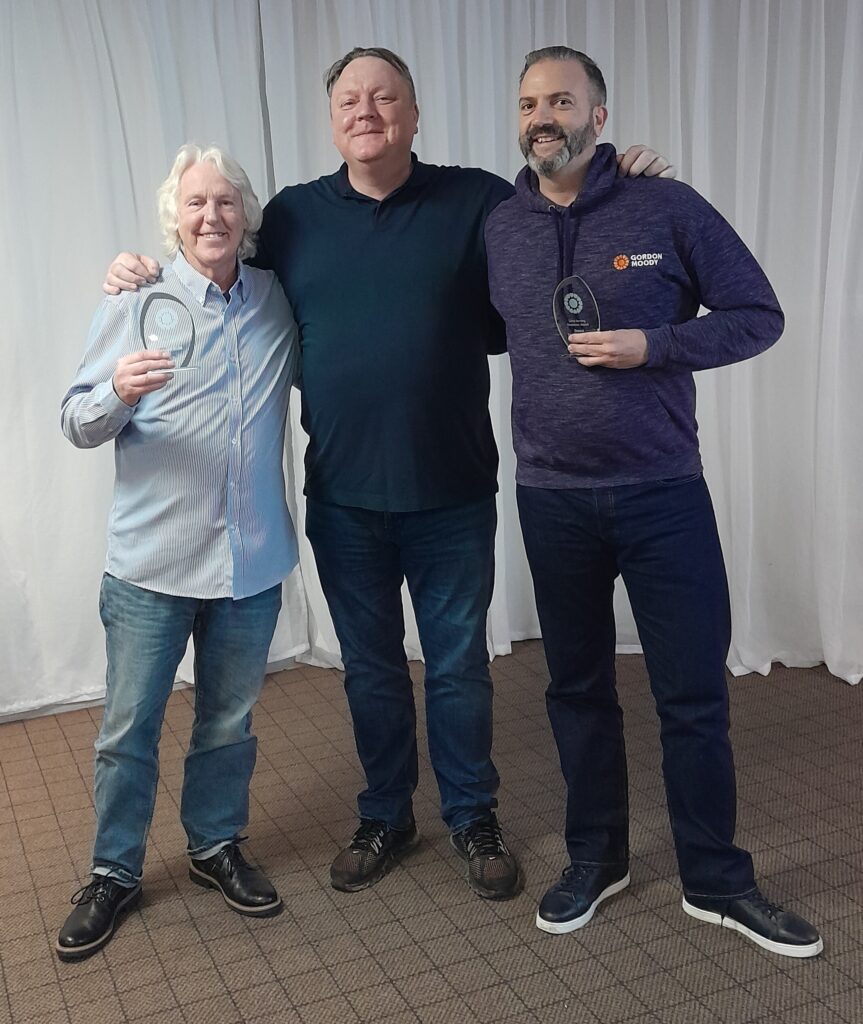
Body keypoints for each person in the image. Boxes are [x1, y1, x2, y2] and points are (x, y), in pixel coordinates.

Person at [102, 47, 672, 903]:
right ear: (333, 117)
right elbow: (207, 253)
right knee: (368, 669)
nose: (366, 110)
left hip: (450, 490)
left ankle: (472, 814)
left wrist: (619, 172)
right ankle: (385, 815)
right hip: (343, 497)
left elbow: (566, 208)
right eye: (349, 99)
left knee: (456, 668)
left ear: (412, 112)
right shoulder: (291, 217)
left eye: (385, 97)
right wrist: (135, 268)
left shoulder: (478, 199)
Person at [484, 46, 822, 957]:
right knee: (575, 689)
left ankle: (716, 879)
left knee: (691, 694)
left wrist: (655, 345)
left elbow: (758, 314)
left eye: (561, 99)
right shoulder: (498, 224)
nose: (541, 115)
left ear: (600, 115)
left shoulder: (664, 205)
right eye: (527, 102)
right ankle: (597, 857)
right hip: (551, 499)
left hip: (661, 492)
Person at [58, 144, 300, 962]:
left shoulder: (275, 299)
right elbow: (76, 420)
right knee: (130, 728)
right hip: (151, 567)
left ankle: (213, 845)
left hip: (250, 560)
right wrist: (120, 391)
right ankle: (113, 870)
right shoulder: (136, 298)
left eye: (226, 202)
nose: (211, 217)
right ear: (175, 217)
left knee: (228, 723)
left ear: (246, 216)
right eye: (196, 204)